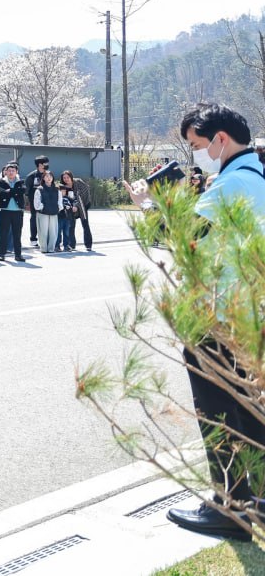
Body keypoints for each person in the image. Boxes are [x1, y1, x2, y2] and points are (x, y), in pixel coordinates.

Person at [143, 104, 265, 541]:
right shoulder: (257, 180)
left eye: (196, 145)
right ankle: (256, 500)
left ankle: (230, 507)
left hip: (216, 316)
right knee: (249, 413)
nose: (196, 153)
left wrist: (155, 201)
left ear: (219, 139)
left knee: (218, 415)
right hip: (250, 315)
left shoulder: (230, 185)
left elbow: (174, 235)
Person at [0, 163, 27, 262]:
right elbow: (1, 192)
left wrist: (10, 191)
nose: (11, 172)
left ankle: (18, 254)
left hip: (17, 211)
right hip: (5, 211)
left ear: (16, 172)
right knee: (3, 233)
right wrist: (14, 192)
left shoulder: (21, 181)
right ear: (5, 172)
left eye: (13, 170)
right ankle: (2, 254)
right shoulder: (1, 181)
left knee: (17, 234)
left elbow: (23, 190)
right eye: (9, 170)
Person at [32, 171, 60, 254]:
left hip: (54, 213)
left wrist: (58, 208)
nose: (48, 178)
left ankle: (51, 248)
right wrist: (43, 207)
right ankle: (44, 248)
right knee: (43, 231)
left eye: (50, 176)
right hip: (42, 213)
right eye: (46, 176)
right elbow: (36, 203)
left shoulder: (56, 189)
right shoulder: (39, 189)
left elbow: (60, 201)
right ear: (43, 178)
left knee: (53, 232)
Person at [56, 171, 80, 252]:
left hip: (68, 217)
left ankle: (67, 245)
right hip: (59, 217)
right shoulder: (57, 199)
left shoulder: (68, 197)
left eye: (64, 191)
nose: (62, 192)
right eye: (61, 191)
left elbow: (74, 200)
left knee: (67, 233)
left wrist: (75, 206)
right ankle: (57, 246)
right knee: (58, 233)